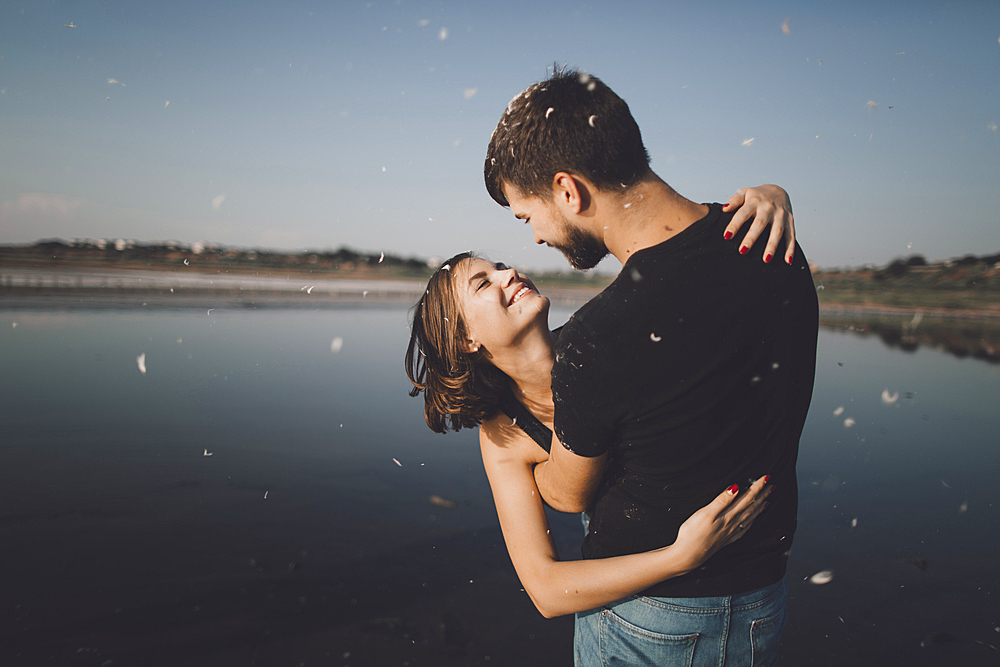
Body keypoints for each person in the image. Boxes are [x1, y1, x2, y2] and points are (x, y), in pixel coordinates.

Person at [482, 70, 819, 666]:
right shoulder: (778, 249)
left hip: (654, 616)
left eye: (525, 215)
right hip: (763, 597)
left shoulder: (599, 337)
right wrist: (773, 190)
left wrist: (511, 442)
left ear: (568, 190)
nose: (533, 240)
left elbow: (566, 493)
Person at [405, 247, 778, 619]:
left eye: (501, 266)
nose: (510, 272)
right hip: (627, 616)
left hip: (748, 590)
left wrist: (768, 195)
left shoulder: (607, 343)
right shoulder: (504, 432)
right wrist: (679, 557)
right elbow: (546, 590)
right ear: (466, 338)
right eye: (483, 282)